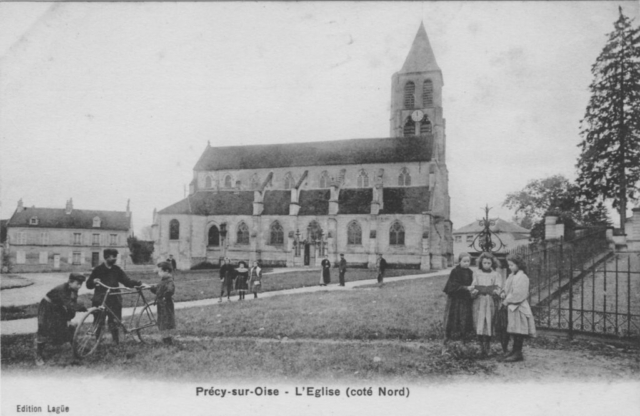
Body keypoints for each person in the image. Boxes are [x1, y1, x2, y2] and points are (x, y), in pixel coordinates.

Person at [86, 248, 142, 345]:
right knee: (99, 321)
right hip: (100, 299)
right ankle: (97, 342)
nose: (115, 259)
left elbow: (126, 281)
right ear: (106, 257)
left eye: (115, 257)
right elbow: (88, 285)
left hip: (114, 299)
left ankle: (116, 341)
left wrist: (137, 283)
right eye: (113, 257)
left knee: (115, 321)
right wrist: (93, 281)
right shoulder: (98, 270)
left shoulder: (117, 270)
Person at [35, 273, 88, 366]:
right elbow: (69, 305)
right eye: (78, 284)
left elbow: (73, 303)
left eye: (81, 284)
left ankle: (76, 347)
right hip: (47, 307)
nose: (79, 286)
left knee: (68, 326)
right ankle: (38, 356)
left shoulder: (73, 289)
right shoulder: (62, 289)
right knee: (43, 329)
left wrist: (69, 318)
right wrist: (82, 308)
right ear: (70, 282)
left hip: (57, 307)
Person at [500, 254, 536, 362]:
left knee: (519, 331)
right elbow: (507, 287)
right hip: (512, 307)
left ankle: (518, 353)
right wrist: (503, 292)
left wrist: (506, 301)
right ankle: (514, 351)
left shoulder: (522, 277)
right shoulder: (512, 276)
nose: (510, 267)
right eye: (509, 265)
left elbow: (519, 293)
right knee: (514, 330)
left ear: (518, 265)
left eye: (512, 265)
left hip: (518, 307)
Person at [471, 252, 503, 358]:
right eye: (484, 262)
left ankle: (488, 346)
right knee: (479, 322)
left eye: (489, 263)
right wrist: (475, 291)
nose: (486, 265)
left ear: (492, 263)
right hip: (479, 301)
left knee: (489, 322)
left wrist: (495, 291)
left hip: (490, 301)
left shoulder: (496, 274)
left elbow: (499, 287)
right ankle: (481, 347)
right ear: (481, 263)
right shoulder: (477, 273)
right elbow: (473, 285)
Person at [442, 252, 475, 344]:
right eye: (464, 261)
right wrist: (465, 288)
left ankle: (463, 338)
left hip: (465, 299)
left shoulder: (470, 272)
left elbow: (473, 284)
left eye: (468, 261)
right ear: (459, 261)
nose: (466, 263)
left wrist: (472, 289)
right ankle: (450, 338)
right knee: (454, 317)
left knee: (464, 318)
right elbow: (453, 285)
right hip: (455, 299)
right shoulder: (455, 271)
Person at [150, 262, 176, 345]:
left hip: (166, 304)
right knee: (162, 321)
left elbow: (170, 290)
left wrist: (165, 296)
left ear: (167, 271)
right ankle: (165, 338)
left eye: (160, 271)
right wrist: (150, 287)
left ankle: (168, 339)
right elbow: (158, 290)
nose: (159, 273)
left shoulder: (169, 280)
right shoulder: (163, 281)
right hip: (161, 304)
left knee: (166, 321)